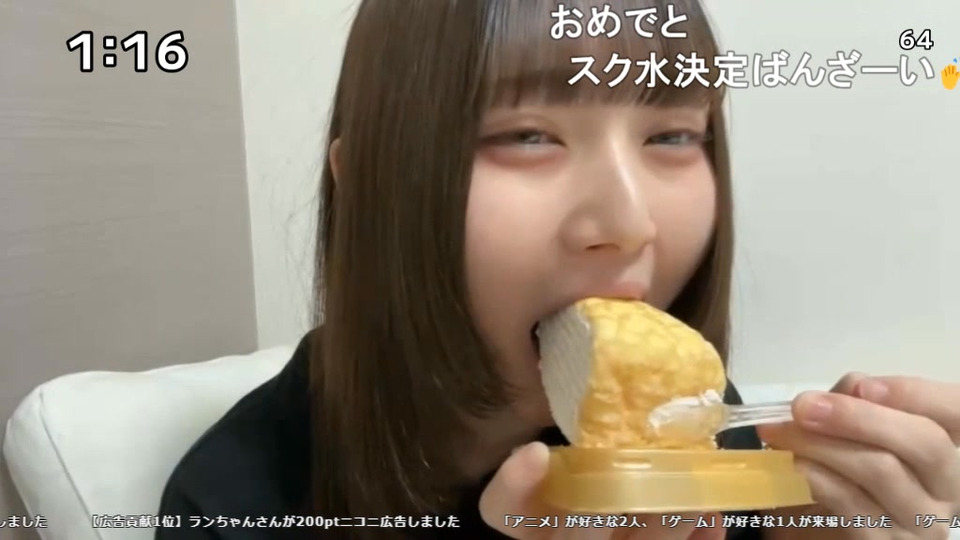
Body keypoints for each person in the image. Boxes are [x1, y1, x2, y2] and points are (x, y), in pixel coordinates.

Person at [156, 0, 960, 539]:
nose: (630, 223)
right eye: (528, 136)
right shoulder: (234, 501)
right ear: (369, 181)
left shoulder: (704, 433)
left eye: (672, 137)